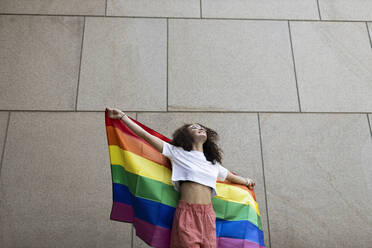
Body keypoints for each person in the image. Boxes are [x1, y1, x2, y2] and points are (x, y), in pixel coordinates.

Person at [106, 107, 256, 248]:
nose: (200, 128)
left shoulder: (213, 163)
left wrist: (247, 182)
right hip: (187, 214)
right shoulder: (177, 153)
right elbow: (146, 136)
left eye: (201, 127)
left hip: (208, 216)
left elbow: (229, 176)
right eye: (194, 127)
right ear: (186, 136)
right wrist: (123, 117)